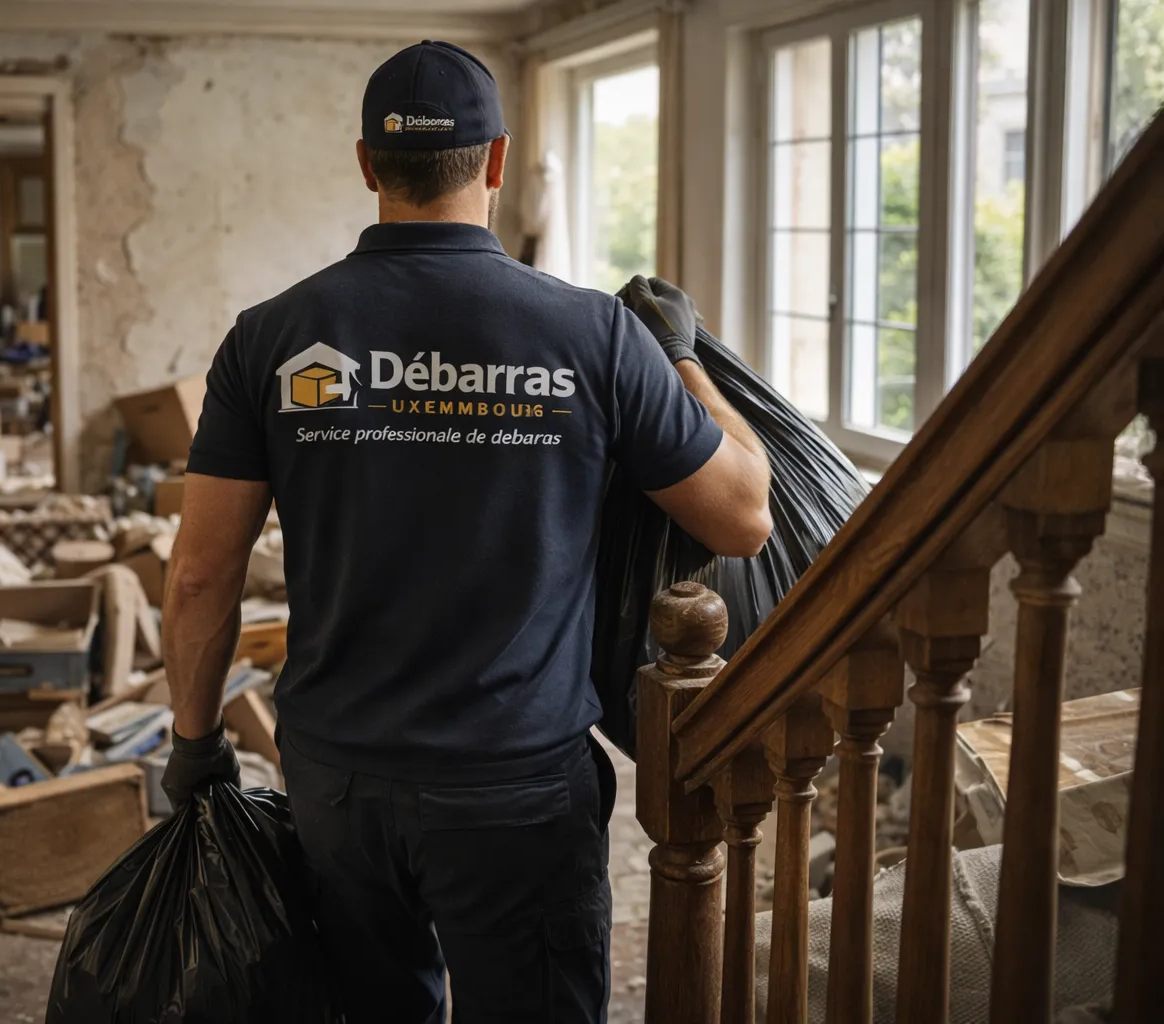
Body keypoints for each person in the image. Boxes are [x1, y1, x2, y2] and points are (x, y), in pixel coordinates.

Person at [160, 39, 772, 1024]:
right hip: (517, 789)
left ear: (367, 166)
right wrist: (686, 362)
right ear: (494, 162)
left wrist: (194, 744)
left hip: (337, 782)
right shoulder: (594, 335)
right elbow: (744, 518)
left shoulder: (269, 337)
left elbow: (199, 578)